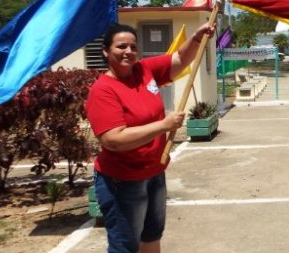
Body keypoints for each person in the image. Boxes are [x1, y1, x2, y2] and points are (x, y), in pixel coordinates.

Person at [86, 22, 215, 253]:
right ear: (106, 51)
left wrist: (196, 38)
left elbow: (179, 60)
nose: (128, 52)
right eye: (121, 46)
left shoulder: (144, 70)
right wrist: (163, 125)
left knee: (152, 237)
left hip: (154, 173)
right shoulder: (103, 90)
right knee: (125, 246)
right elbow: (113, 139)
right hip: (122, 181)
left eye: (133, 47)